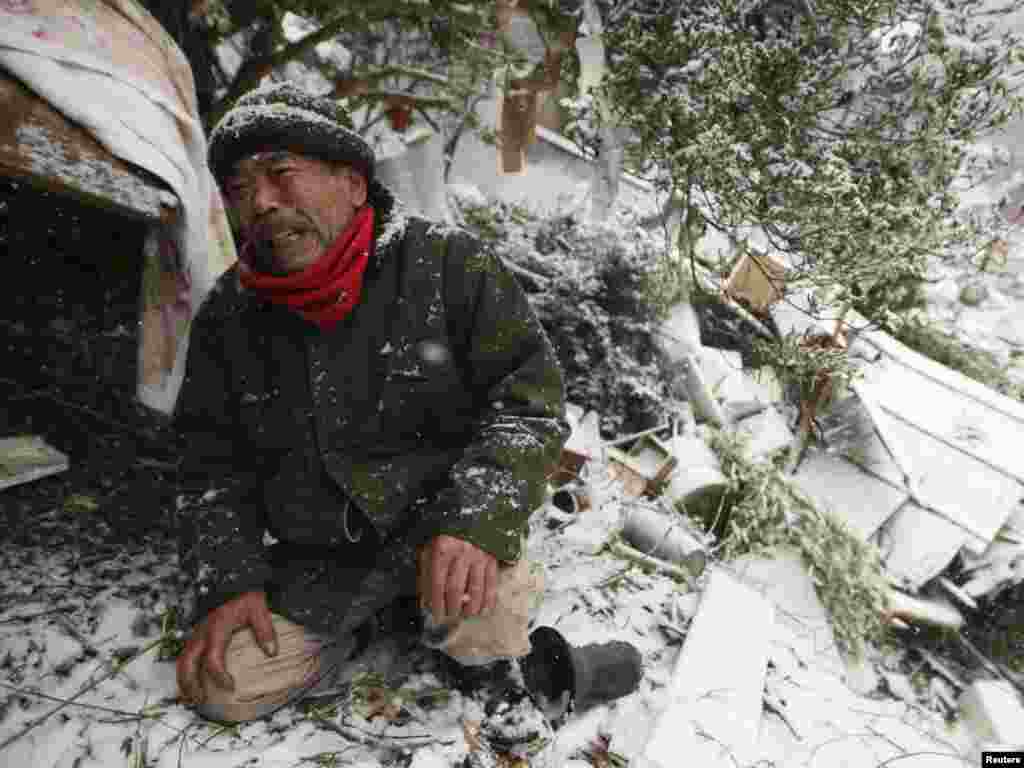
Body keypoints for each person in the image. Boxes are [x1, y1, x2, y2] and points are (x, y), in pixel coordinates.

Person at [173, 81, 570, 723]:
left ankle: (440, 602)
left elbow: (529, 403)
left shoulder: (450, 266)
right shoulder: (228, 315)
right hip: (319, 561)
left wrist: (474, 522)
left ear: (353, 183)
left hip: (441, 530)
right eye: (241, 189)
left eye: (282, 174)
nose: (263, 204)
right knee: (220, 684)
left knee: (484, 636)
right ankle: (368, 622)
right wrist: (230, 577)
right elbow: (208, 462)